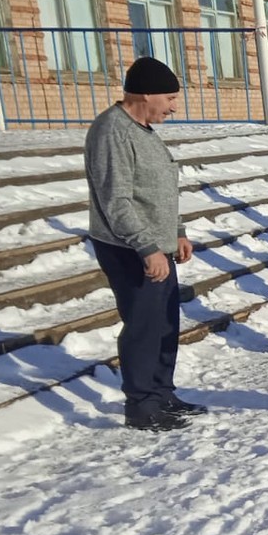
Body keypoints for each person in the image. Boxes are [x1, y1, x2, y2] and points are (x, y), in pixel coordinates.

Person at [84, 56, 206, 430]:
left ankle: (161, 393)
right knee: (144, 325)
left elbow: (160, 190)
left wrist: (177, 232)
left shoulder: (144, 131)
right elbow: (116, 200)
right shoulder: (112, 132)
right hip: (128, 248)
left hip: (157, 243)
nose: (174, 106)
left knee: (166, 323)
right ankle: (141, 405)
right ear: (145, 93)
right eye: (169, 97)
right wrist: (148, 247)